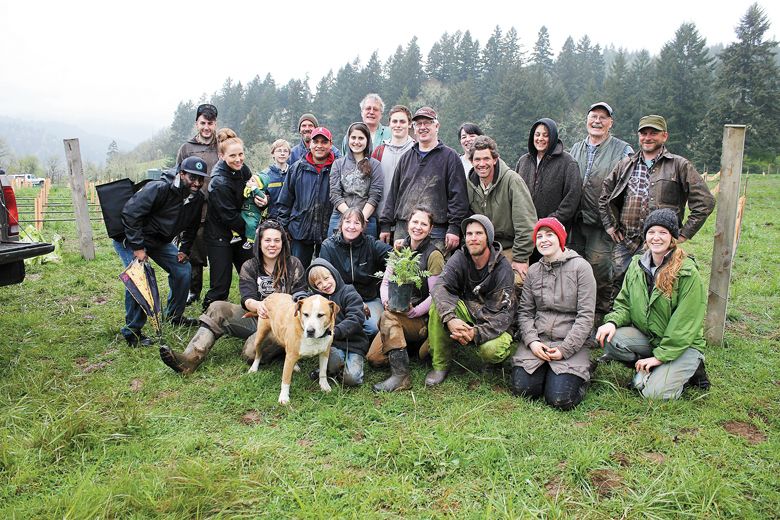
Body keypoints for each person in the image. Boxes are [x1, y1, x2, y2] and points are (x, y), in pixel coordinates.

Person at [159, 220, 306, 373]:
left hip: (282, 324)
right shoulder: (250, 266)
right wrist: (257, 305)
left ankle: (282, 350)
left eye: (277, 240)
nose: (272, 244)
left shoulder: (293, 265)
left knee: (249, 354)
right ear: (259, 243)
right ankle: (190, 359)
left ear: (283, 243)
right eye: (267, 240)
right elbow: (247, 297)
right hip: (255, 317)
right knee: (217, 307)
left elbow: (300, 295)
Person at [595, 208, 711, 399]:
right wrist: (612, 322)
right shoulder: (636, 265)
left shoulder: (687, 273)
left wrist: (660, 357)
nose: (656, 237)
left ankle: (688, 367)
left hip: (682, 345)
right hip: (652, 337)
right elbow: (624, 302)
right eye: (651, 232)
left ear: (672, 237)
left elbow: (685, 324)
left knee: (654, 393)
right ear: (645, 236)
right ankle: (652, 366)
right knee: (609, 339)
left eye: (663, 232)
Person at [599, 115, 715, 304]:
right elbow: (605, 195)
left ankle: (649, 328)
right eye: (644, 133)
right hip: (626, 242)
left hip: (657, 244)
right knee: (618, 286)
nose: (648, 137)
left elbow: (705, 201)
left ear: (664, 136)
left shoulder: (679, 165)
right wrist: (610, 226)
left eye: (653, 133)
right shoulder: (626, 164)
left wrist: (684, 233)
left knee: (655, 289)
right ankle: (615, 326)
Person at [114, 156, 206, 346]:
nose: (197, 183)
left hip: (159, 241)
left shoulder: (197, 198)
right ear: (182, 174)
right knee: (140, 278)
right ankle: (132, 331)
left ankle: (174, 315)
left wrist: (185, 250)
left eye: (201, 179)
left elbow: (192, 227)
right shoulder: (159, 188)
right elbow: (130, 214)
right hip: (131, 238)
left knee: (183, 269)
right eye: (192, 178)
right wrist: (138, 248)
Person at [510, 217, 596, 410]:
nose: (544, 240)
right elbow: (525, 312)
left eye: (549, 235)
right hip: (539, 339)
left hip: (570, 340)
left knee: (560, 399)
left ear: (560, 238)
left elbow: (586, 316)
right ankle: (545, 371)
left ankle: (582, 370)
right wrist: (532, 341)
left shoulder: (581, 268)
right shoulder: (533, 271)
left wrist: (565, 349)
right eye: (539, 236)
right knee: (522, 390)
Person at [425, 215, 516, 386]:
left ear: (488, 237)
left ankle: (496, 363)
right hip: (468, 311)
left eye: (479, 233)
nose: (473, 238)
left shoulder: (503, 268)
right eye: (469, 234)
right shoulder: (460, 257)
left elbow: (504, 316)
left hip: (495, 319)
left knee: (491, 350)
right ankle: (440, 365)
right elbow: (440, 287)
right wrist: (450, 318)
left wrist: (475, 333)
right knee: (437, 306)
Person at [568, 102, 633, 323]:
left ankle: (600, 315)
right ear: (586, 120)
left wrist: (618, 219)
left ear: (610, 123)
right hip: (576, 220)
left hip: (603, 222)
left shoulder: (623, 150)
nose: (597, 121)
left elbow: (629, 187)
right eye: (593, 116)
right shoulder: (576, 148)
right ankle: (575, 312)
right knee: (574, 264)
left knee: (600, 267)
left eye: (603, 118)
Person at [369, 207, 445, 392]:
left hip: (419, 319)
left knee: (388, 318)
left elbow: (436, 294)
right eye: (415, 222)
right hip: (396, 313)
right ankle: (405, 348)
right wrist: (387, 300)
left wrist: (415, 311)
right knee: (374, 358)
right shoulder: (399, 250)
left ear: (431, 228)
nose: (418, 227)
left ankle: (401, 376)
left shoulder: (434, 255)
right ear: (408, 224)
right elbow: (386, 282)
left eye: (423, 224)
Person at [379, 106, 469, 254]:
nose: (422, 127)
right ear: (413, 127)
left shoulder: (450, 157)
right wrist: (386, 225)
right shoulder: (406, 158)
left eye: (427, 123)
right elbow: (394, 194)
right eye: (418, 124)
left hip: (437, 232)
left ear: (437, 126)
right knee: (402, 275)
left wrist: (454, 228)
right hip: (404, 229)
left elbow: (458, 197)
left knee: (434, 276)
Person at [202, 128, 263, 310]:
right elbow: (228, 216)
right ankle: (210, 313)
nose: (238, 159)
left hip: (241, 232)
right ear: (221, 156)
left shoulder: (243, 170)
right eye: (232, 156)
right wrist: (252, 229)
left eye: (241, 154)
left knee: (251, 273)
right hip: (220, 235)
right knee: (221, 282)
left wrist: (263, 201)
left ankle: (255, 310)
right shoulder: (219, 182)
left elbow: (252, 194)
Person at [466, 135, 536, 286]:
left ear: (495, 159)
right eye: (477, 160)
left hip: (510, 247)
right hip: (484, 249)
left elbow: (527, 225)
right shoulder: (470, 184)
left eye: (486, 159)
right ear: (471, 161)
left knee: (513, 284)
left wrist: (520, 258)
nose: (482, 164)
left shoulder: (512, 181)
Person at [515, 118, 581, 263]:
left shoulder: (567, 162)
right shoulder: (523, 161)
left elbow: (572, 198)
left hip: (554, 232)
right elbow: (515, 195)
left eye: (545, 135)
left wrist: (550, 221)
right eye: (537, 134)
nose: (540, 139)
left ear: (553, 137)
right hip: (527, 231)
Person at [319, 208, 391, 339]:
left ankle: (352, 339)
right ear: (341, 224)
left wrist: (402, 246)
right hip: (340, 300)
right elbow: (322, 279)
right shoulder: (328, 246)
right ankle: (350, 337)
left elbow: (395, 258)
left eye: (357, 223)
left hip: (368, 299)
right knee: (338, 322)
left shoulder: (371, 244)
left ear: (363, 226)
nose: (351, 227)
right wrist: (355, 302)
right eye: (348, 222)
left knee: (374, 327)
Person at [176, 103, 219, 306]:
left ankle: (217, 293)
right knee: (194, 253)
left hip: (218, 210)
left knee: (218, 253)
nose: (206, 127)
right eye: (203, 123)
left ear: (215, 124)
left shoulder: (221, 146)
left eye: (210, 123)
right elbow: (177, 177)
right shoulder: (186, 148)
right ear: (197, 123)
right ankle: (194, 291)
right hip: (194, 209)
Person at [302, 259, 369, 387]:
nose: (325, 284)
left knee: (352, 380)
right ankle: (330, 370)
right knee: (333, 362)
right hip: (334, 345)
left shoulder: (349, 292)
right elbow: (303, 297)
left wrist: (335, 331)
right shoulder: (318, 300)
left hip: (355, 344)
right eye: (318, 283)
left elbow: (356, 318)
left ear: (334, 274)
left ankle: (343, 370)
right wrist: (298, 296)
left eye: (327, 278)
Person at [277, 127, 336, 267]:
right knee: (297, 273)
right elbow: (285, 200)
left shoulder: (337, 167)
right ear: (310, 144)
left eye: (324, 142)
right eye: (316, 141)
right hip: (300, 231)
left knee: (326, 274)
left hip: (328, 232)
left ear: (330, 144)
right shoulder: (297, 168)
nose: (319, 146)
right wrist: (284, 228)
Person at [328, 122, 383, 238]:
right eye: (353, 137)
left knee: (365, 254)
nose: (356, 142)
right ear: (348, 139)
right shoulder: (338, 164)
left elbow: (375, 195)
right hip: (340, 216)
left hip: (366, 217)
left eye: (361, 138)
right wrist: (349, 218)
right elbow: (335, 194)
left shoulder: (375, 165)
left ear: (367, 140)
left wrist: (360, 219)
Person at [372, 104, 416, 220]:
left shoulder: (417, 151)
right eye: (394, 121)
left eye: (402, 121)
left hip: (409, 219)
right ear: (389, 124)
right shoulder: (379, 152)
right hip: (380, 217)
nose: (398, 125)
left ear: (410, 124)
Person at [230, 171, 269, 250]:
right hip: (243, 211)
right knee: (235, 221)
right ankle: (236, 235)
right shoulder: (246, 189)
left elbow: (263, 197)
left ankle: (250, 240)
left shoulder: (258, 191)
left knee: (251, 225)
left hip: (253, 213)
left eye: (252, 181)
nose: (249, 181)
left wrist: (255, 189)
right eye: (250, 180)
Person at [263, 139, 291, 221]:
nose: (282, 153)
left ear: (289, 155)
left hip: (290, 219)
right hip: (272, 218)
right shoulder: (265, 175)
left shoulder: (294, 173)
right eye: (279, 151)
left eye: (285, 151)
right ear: (273, 154)